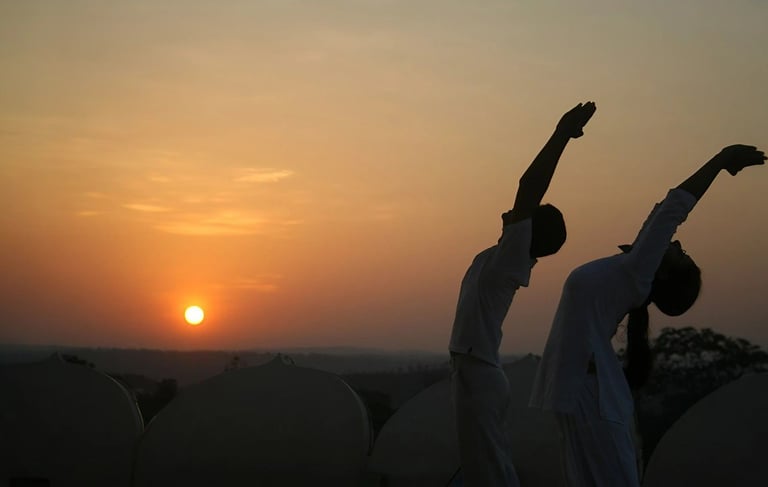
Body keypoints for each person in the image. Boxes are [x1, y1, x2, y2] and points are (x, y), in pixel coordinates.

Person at [529, 144, 766, 486]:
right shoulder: (633, 266)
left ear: (665, 275)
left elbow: (672, 209)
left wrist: (720, 161)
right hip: (583, 392)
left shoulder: (638, 272)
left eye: (682, 256)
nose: (680, 246)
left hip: (592, 397)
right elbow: (660, 213)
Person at [448, 101, 597, 486]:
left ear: (526, 231)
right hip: (476, 372)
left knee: (490, 473)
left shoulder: (509, 261)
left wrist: (561, 134)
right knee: (485, 469)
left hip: (478, 373)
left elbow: (528, 186)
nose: (508, 213)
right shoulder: (504, 259)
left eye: (520, 217)